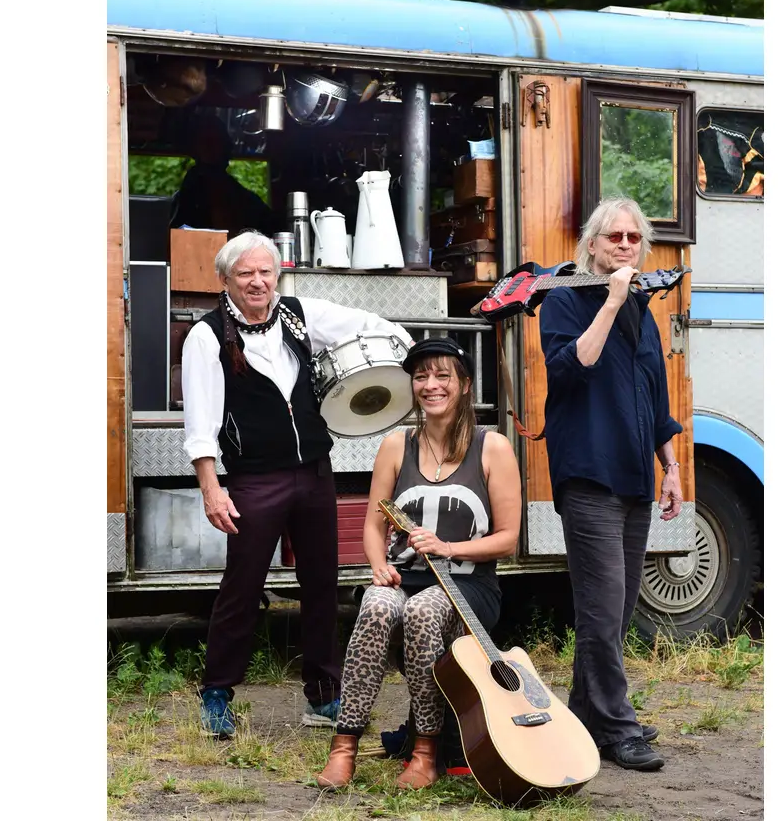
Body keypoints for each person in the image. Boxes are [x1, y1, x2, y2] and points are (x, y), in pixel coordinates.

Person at [182, 231, 412, 737]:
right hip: (254, 479)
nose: (258, 282)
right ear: (225, 280)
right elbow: (200, 424)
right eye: (245, 274)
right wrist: (211, 486)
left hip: (313, 472)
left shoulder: (298, 313)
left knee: (321, 586)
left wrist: (410, 352)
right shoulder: (206, 336)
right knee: (241, 589)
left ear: (277, 275)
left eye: (266, 272)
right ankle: (217, 694)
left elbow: (367, 325)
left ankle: (324, 698)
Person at [315, 337, 521, 791]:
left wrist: (448, 548)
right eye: (422, 376)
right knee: (376, 606)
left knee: (423, 611)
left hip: (467, 586)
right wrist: (377, 566)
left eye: (442, 375)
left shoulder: (493, 447)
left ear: (465, 385)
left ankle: (426, 751)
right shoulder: (395, 444)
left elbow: (507, 539)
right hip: (405, 576)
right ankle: (344, 745)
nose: (431, 385)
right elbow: (374, 525)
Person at [537, 196, 685, 772]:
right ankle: (619, 728)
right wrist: (613, 300)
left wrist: (669, 465)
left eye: (633, 238)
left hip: (634, 475)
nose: (624, 245)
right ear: (591, 246)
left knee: (617, 612)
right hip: (589, 473)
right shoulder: (564, 299)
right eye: (613, 237)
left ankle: (585, 718)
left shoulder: (642, 312)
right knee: (601, 610)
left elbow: (654, 390)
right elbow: (573, 365)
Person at [171, 114, 283, 235]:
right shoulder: (191, 190)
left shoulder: (243, 198)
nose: (211, 147)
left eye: (217, 141)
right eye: (206, 141)